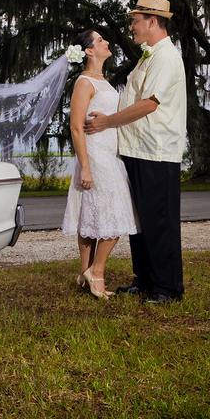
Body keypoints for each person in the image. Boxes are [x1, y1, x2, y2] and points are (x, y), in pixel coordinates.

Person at [84, 0, 187, 305]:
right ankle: (145, 280)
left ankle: (168, 288)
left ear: (152, 21)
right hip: (137, 149)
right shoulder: (149, 55)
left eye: (134, 21)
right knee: (140, 222)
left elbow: (148, 104)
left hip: (156, 150)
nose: (131, 27)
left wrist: (107, 123)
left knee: (159, 220)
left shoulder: (166, 56)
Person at [61, 29, 138, 299]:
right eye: (100, 40)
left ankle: (85, 271)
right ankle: (97, 272)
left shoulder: (102, 80)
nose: (107, 42)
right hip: (95, 156)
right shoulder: (84, 82)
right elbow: (76, 127)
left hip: (109, 152)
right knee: (116, 216)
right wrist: (86, 166)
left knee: (93, 214)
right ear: (89, 51)